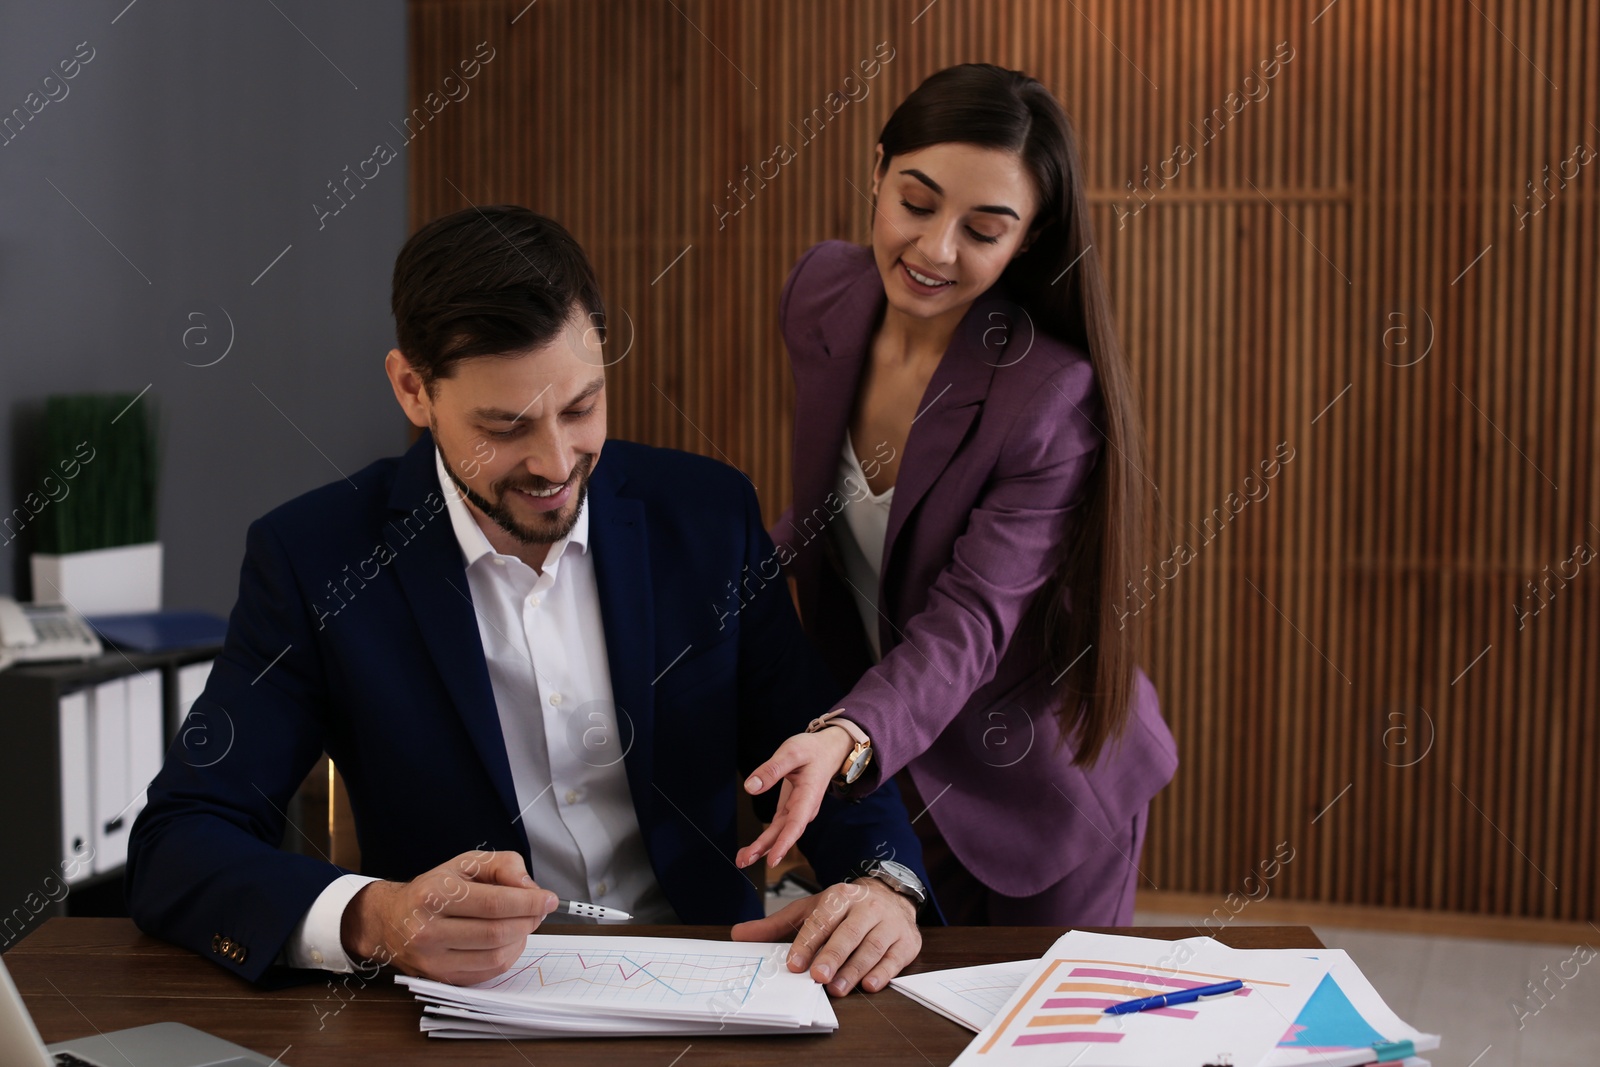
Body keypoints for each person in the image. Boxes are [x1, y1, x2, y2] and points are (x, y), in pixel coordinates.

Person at [126, 206, 930, 998]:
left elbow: (815, 742)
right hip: (459, 1017)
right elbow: (181, 839)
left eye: (581, 408)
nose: (555, 462)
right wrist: (374, 917)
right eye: (505, 426)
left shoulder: (708, 517)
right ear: (413, 389)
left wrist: (886, 883)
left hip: (710, 989)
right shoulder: (315, 558)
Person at [737, 64, 1179, 925]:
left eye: (983, 228)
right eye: (916, 201)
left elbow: (969, 618)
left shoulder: (1048, 393)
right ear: (876, 172)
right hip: (896, 774)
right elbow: (843, 518)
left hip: (1037, 794)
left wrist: (847, 733)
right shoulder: (819, 293)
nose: (935, 249)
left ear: (1028, 240)